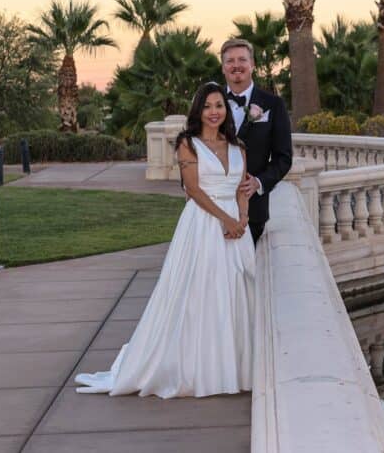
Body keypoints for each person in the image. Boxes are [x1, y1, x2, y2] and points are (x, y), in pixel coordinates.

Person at [74, 82, 255, 397]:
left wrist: (242, 218)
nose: (214, 112)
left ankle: (232, 366)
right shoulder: (188, 144)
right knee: (201, 292)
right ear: (198, 110)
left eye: (219, 106)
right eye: (208, 106)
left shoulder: (238, 147)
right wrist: (225, 219)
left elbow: (241, 187)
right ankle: (195, 368)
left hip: (236, 228)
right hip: (204, 224)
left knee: (235, 292)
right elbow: (194, 190)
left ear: (226, 111)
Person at [219, 38, 293, 246]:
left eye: (242, 59)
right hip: (213, 208)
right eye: (230, 61)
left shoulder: (273, 105)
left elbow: (283, 158)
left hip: (254, 210)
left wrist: (258, 182)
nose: (236, 65)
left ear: (252, 65)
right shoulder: (209, 104)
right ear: (223, 67)